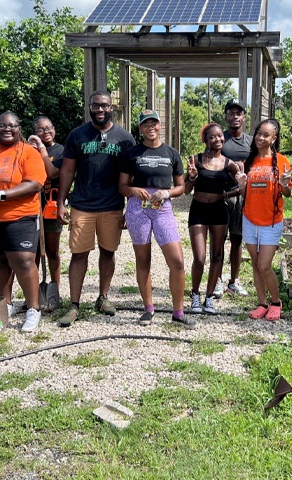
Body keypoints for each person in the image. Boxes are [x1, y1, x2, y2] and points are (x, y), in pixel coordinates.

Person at [57, 90, 136, 327]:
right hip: (82, 204)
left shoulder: (124, 138)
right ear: (89, 107)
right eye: (95, 106)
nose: (99, 110)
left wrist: (128, 209)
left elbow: (130, 177)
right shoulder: (77, 135)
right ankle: (74, 305)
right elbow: (68, 170)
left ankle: (103, 297)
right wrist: (61, 202)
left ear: (112, 108)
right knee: (79, 254)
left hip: (112, 205)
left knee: (108, 252)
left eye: (104, 106)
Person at [0, 111, 47, 333]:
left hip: (20, 216)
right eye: (2, 125)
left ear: (19, 128)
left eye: (12, 126)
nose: (7, 129)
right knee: (1, 261)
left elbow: (35, 184)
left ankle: (33, 308)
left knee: (23, 261)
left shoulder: (28, 152)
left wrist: (2, 195)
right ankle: (6, 304)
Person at [118, 110, 190, 328]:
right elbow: (121, 186)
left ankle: (178, 311)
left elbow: (181, 187)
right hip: (138, 209)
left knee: (176, 261)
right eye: (146, 124)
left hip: (162, 208)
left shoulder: (171, 153)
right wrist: (133, 189)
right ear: (140, 128)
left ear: (160, 125)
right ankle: (148, 308)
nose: (151, 127)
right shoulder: (131, 154)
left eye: (154, 123)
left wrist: (167, 193)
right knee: (143, 260)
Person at [235, 118, 292, 322]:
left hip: (271, 221)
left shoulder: (281, 161)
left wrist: (285, 184)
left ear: (274, 138)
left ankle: (276, 302)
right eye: (258, 133)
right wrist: (241, 185)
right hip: (250, 219)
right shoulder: (249, 161)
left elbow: (287, 193)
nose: (260, 137)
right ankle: (261, 303)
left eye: (265, 135)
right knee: (255, 264)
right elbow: (245, 194)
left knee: (264, 265)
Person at [185, 123, 240, 314]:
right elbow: (186, 190)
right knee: (199, 257)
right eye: (212, 137)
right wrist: (192, 177)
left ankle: (209, 297)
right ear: (206, 140)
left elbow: (241, 187)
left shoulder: (229, 164)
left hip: (219, 211)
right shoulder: (196, 160)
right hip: (198, 210)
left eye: (220, 136)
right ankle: (195, 295)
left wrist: (224, 195)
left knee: (217, 255)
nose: (218, 140)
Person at [214, 99, 253, 298]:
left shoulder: (251, 141)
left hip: (243, 197)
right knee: (219, 240)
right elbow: (211, 161)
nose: (235, 117)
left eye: (239, 113)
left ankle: (234, 281)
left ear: (244, 117)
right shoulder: (220, 139)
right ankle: (217, 280)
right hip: (222, 196)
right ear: (226, 116)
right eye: (231, 113)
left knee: (237, 240)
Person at [26, 116, 64, 293]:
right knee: (32, 253)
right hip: (30, 207)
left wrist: (41, 150)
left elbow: (52, 172)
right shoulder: (27, 150)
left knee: (52, 251)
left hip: (51, 207)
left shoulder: (61, 151)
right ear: (35, 133)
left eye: (49, 128)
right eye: (41, 130)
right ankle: (33, 292)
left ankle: (54, 289)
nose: (46, 132)